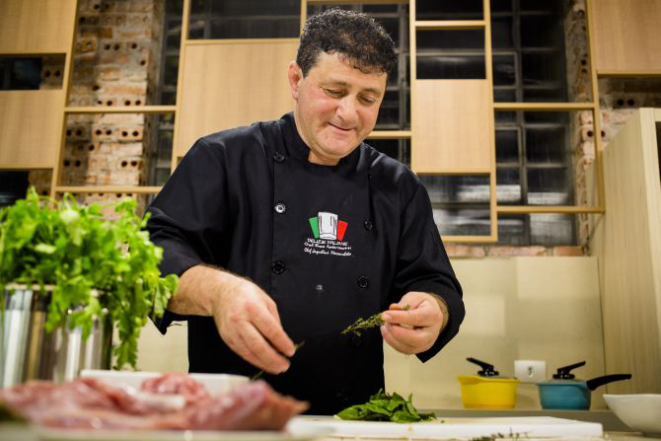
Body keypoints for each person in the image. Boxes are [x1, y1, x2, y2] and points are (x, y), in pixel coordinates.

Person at [146, 8, 465, 415]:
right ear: (296, 79)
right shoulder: (224, 159)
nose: (349, 113)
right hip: (230, 420)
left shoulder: (397, 186)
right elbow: (153, 252)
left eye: (368, 99)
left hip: (354, 421)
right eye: (334, 91)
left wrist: (432, 310)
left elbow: (436, 282)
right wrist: (218, 293)